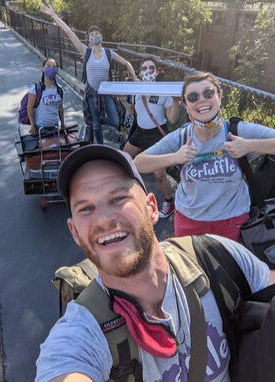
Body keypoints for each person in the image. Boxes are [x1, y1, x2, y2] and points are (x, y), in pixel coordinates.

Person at [35, 144, 275, 382]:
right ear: (74, 231)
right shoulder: (81, 332)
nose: (104, 220)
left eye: (118, 198)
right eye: (86, 208)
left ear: (151, 208)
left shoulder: (215, 255)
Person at [134, 72, 275, 241]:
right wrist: (175, 157)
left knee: (230, 267)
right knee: (191, 267)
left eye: (208, 93)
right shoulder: (180, 137)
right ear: (186, 105)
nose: (201, 100)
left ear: (219, 96)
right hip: (189, 221)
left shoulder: (237, 131)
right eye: (193, 97)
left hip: (232, 221)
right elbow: (138, 163)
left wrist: (249, 145)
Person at [40, 4, 137, 144]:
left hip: (107, 93)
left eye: (97, 34)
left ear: (101, 36)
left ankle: (95, 119)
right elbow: (69, 32)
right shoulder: (86, 52)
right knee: (96, 126)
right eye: (92, 34)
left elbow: (127, 63)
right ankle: (100, 147)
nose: (95, 36)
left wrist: (135, 79)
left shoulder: (109, 53)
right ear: (89, 38)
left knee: (115, 121)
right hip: (92, 93)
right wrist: (53, 15)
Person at [119, 56, 181, 218]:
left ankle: (170, 202)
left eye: (151, 68)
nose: (148, 71)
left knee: (159, 175)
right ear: (140, 72)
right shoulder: (136, 88)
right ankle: (129, 194)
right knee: (123, 159)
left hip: (156, 136)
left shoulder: (164, 90)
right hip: (140, 132)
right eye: (144, 68)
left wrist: (176, 101)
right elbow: (134, 111)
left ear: (157, 71)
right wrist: (122, 101)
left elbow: (172, 118)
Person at [27, 58, 65, 136]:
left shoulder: (59, 89)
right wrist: (32, 124)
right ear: (43, 68)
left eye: (54, 66)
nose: (51, 68)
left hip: (55, 127)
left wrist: (63, 123)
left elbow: (60, 108)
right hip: (40, 128)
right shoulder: (36, 89)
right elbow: (29, 107)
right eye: (49, 65)